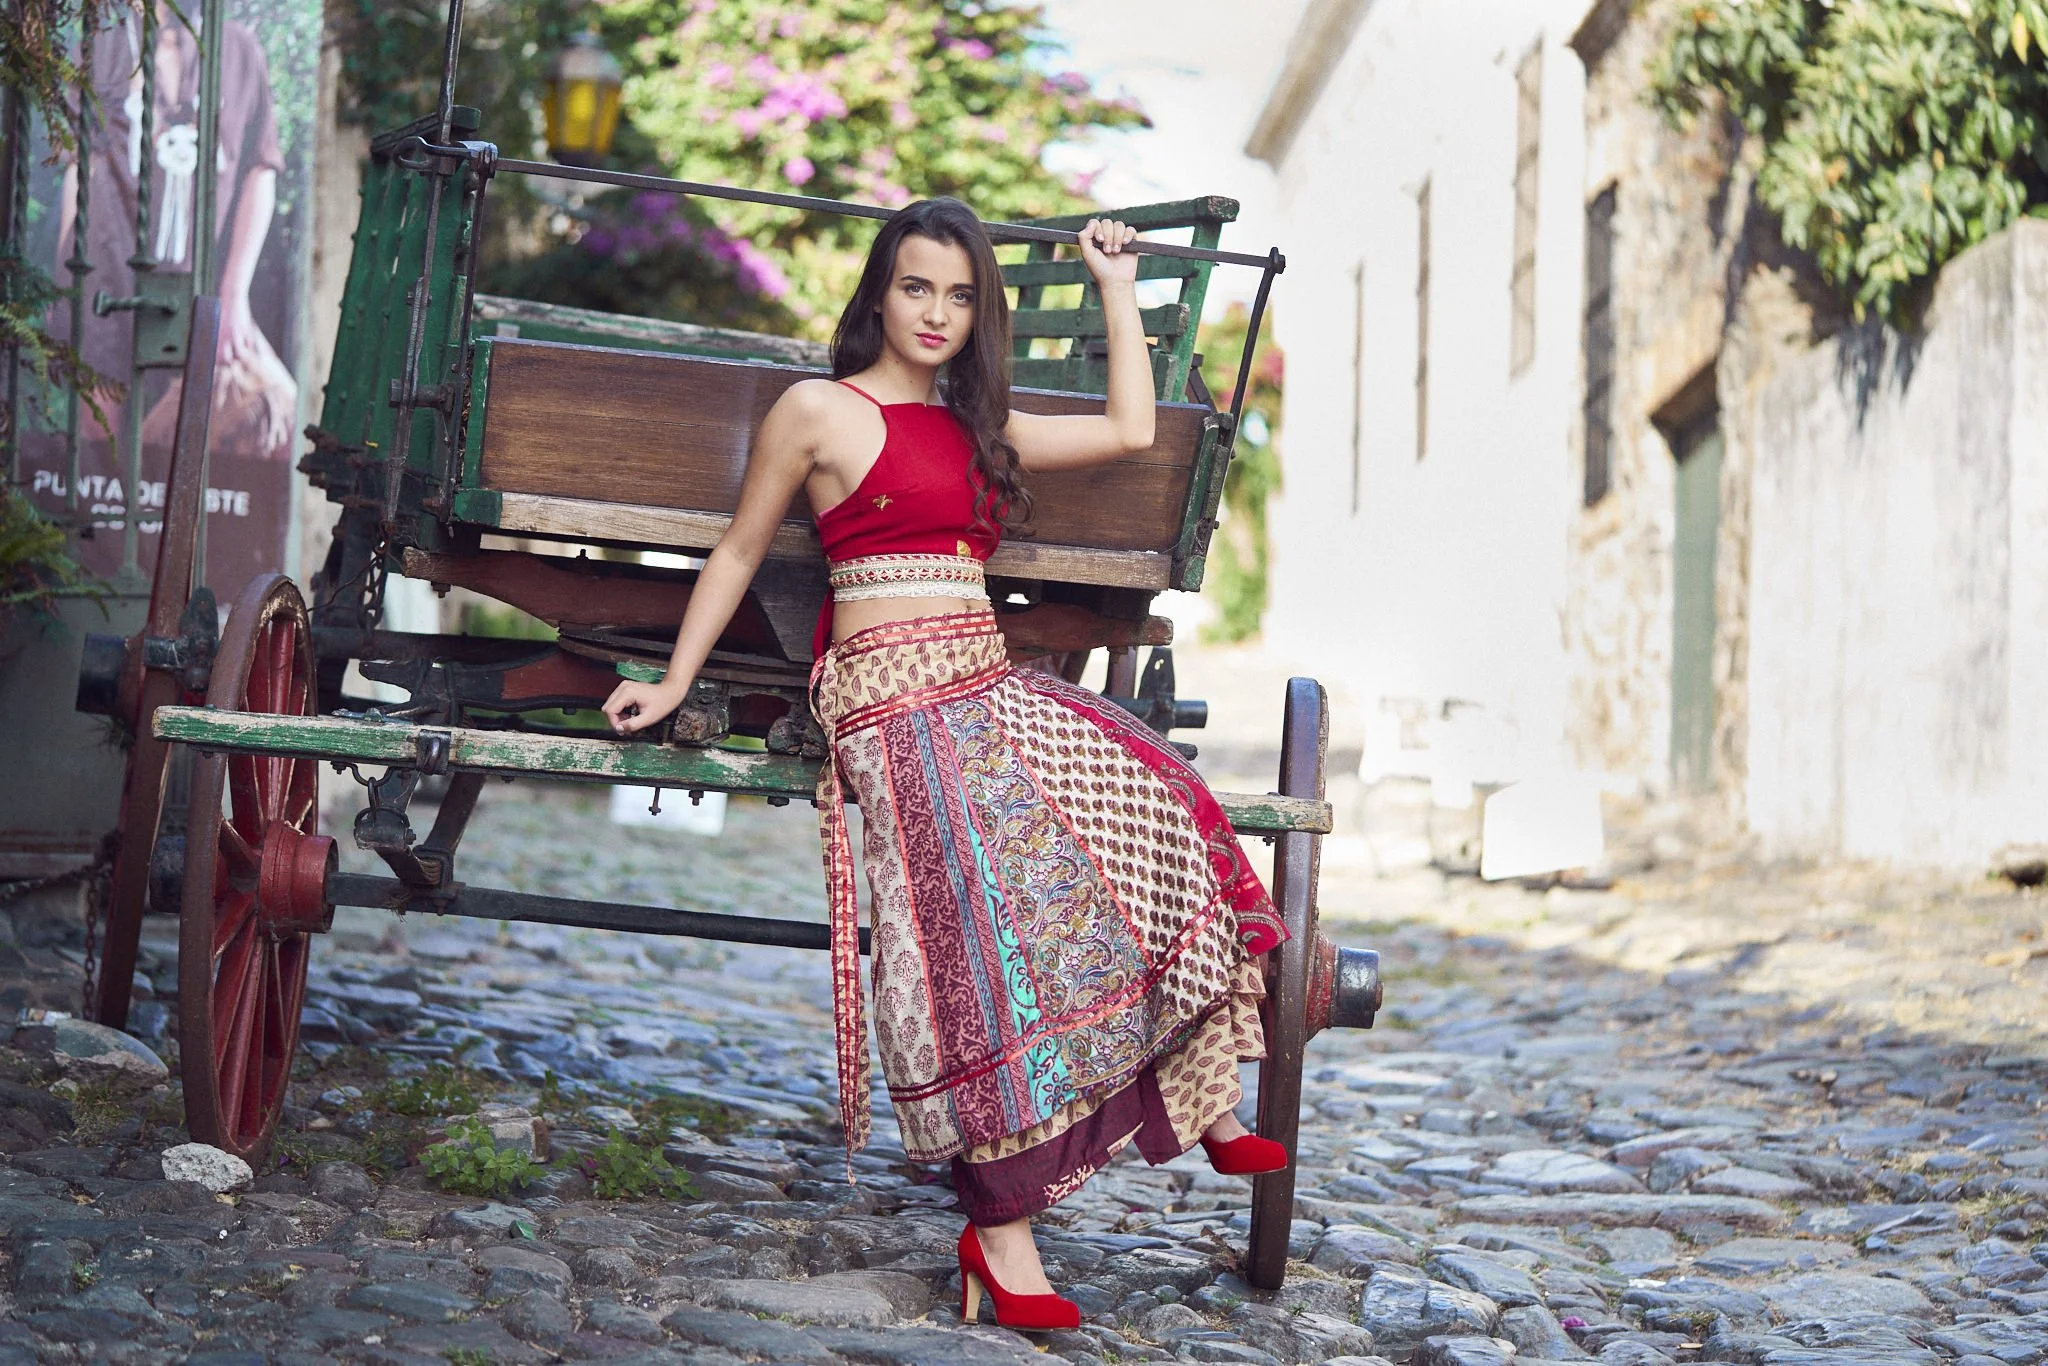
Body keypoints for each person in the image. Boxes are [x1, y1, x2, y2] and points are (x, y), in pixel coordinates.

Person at [601, 198, 1289, 1332]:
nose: (935, 313)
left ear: (980, 315)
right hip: (886, 696)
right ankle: (1000, 1234)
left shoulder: (981, 426)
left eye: (960, 297)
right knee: (971, 927)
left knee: (1154, 791)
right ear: (879, 292)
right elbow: (738, 548)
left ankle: (1200, 1087)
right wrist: (675, 681)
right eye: (916, 287)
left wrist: (1116, 286)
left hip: (979, 677)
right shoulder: (818, 410)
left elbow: (1130, 429)